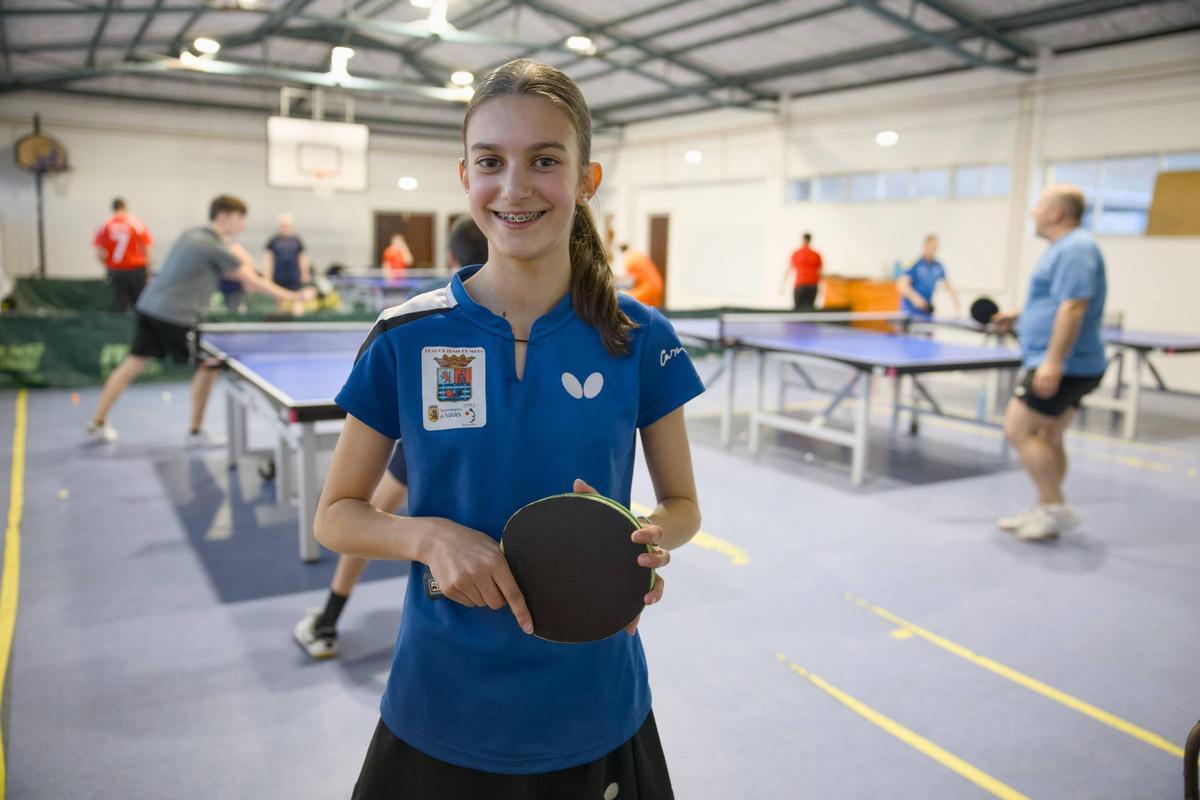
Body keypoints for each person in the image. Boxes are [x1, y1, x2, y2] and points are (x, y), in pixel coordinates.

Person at [314, 59, 703, 796]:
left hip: (594, 705)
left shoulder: (639, 336)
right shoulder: (405, 336)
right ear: (465, 176)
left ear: (586, 181)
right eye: (491, 161)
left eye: (546, 161)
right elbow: (336, 517)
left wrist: (648, 537)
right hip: (440, 704)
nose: (515, 187)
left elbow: (683, 506)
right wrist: (426, 537)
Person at [294, 215, 490, 660]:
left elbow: (346, 517)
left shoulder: (432, 314)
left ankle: (327, 619)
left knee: (373, 509)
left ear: (452, 257)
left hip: (432, 432)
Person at [85, 195, 312, 445]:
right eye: (240, 219)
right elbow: (252, 281)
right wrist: (296, 295)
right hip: (174, 316)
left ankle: (97, 422)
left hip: (149, 307)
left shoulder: (190, 235)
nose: (242, 226)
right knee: (210, 364)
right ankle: (195, 433)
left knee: (133, 362)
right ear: (224, 216)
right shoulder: (213, 247)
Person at [992, 184, 1107, 541]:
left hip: (1063, 363)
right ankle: (1045, 507)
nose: (1033, 212)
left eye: (1039, 206)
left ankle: (1055, 507)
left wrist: (1053, 362)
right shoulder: (1064, 249)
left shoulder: (1075, 249)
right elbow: (1057, 300)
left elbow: (1073, 307)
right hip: (1065, 360)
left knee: (1019, 430)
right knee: (1050, 435)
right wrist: (1021, 315)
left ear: (1057, 213)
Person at [94, 197, 153, 312]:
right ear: (125, 207)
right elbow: (146, 248)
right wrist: (146, 267)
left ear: (113, 208)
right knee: (140, 305)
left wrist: (110, 266)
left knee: (119, 305)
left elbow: (100, 253)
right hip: (136, 270)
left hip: (116, 271)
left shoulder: (105, 225)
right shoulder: (136, 223)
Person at [897, 234, 960, 319]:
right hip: (910, 311)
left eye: (935, 248)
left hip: (926, 311)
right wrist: (915, 298)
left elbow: (948, 285)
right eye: (931, 247)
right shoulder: (915, 263)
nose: (933, 250)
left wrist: (956, 301)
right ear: (925, 247)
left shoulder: (938, 266)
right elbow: (901, 286)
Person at [263, 213, 311, 294]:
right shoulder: (273, 240)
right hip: (278, 275)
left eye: (287, 225)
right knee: (279, 297)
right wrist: (267, 274)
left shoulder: (297, 240)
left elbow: (302, 258)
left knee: (296, 297)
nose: (285, 228)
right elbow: (268, 259)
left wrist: (305, 273)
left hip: (294, 275)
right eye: (282, 225)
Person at [781, 232, 822, 310]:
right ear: (810, 240)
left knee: (798, 311)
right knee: (810, 310)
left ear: (802, 240)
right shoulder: (817, 254)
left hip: (800, 285)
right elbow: (820, 273)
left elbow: (789, 269)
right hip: (813, 286)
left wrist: (782, 286)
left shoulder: (797, 253)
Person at [617, 243, 664, 308]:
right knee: (653, 310)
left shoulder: (629, 260)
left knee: (625, 300)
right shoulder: (638, 254)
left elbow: (630, 281)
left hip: (647, 288)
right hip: (658, 285)